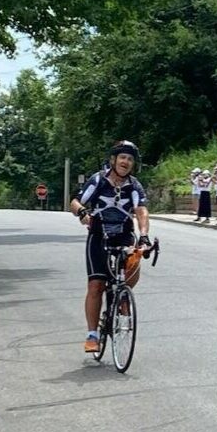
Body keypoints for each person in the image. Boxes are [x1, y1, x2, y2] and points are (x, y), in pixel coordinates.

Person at [70, 140, 150, 353]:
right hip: (99, 236)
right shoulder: (98, 180)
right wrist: (83, 214)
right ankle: (92, 335)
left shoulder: (134, 185)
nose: (126, 161)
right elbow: (76, 202)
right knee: (96, 285)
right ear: (114, 160)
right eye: (123, 157)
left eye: (130, 159)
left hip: (123, 236)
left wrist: (144, 236)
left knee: (132, 269)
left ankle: (121, 295)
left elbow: (141, 210)